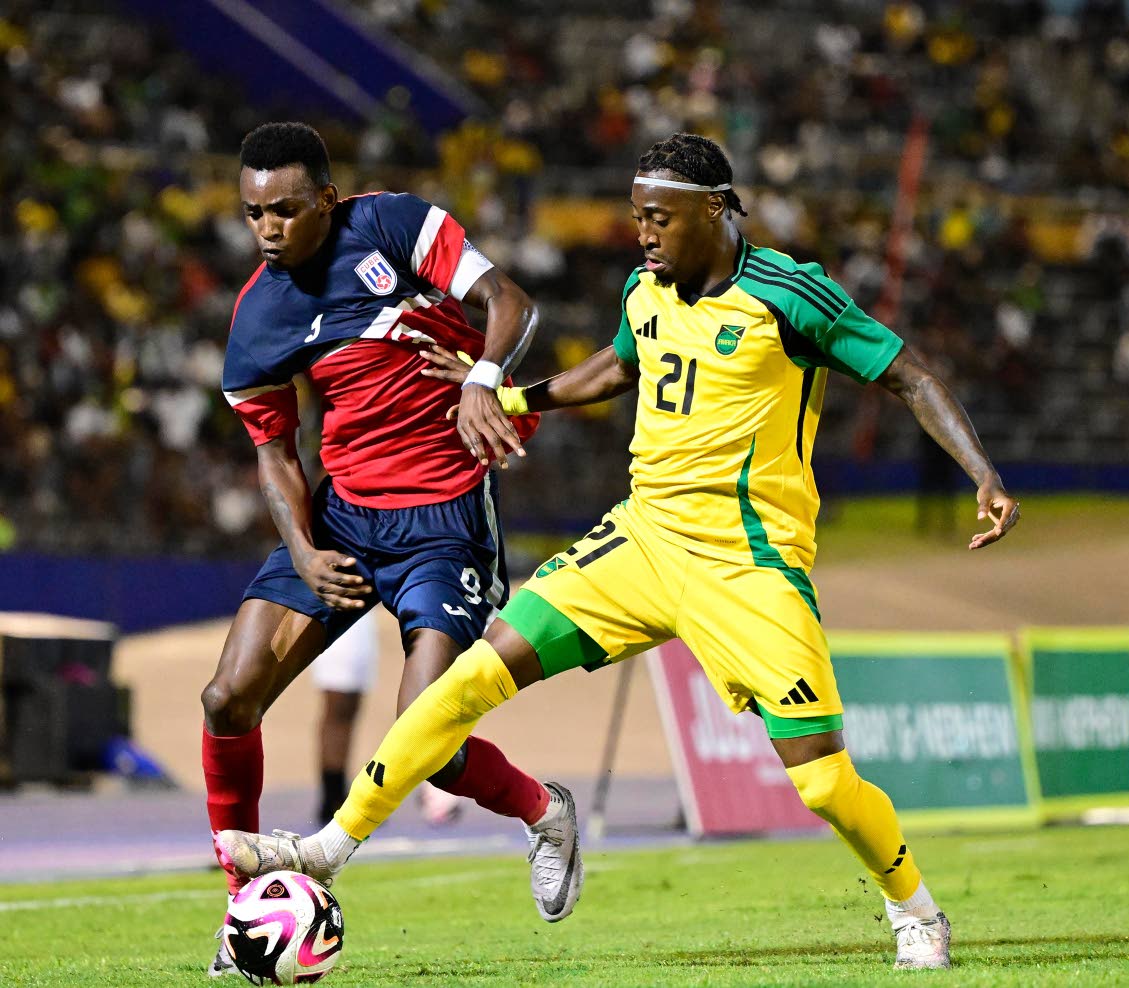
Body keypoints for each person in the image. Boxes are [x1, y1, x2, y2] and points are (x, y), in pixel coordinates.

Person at [217, 132, 1021, 971]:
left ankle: (915, 908)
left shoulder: (790, 296)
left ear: (713, 210)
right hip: (639, 541)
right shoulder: (646, 288)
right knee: (466, 683)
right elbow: (614, 369)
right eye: (637, 217)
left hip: (745, 563)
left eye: (659, 219)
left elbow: (909, 375)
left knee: (821, 782)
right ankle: (327, 850)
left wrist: (984, 474)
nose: (643, 234)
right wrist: (501, 391)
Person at [203, 122, 583, 977]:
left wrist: (485, 379)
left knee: (431, 746)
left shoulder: (393, 227)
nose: (268, 228)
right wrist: (301, 551)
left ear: (327, 201)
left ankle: (543, 810)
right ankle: (244, 904)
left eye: (287, 209)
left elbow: (512, 302)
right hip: (342, 521)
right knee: (229, 695)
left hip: (444, 522)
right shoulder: (258, 316)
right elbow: (274, 452)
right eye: (253, 212)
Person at [310, 606, 462, 826]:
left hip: (397, 589)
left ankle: (435, 780)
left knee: (435, 677)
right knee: (342, 698)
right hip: (344, 594)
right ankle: (333, 799)